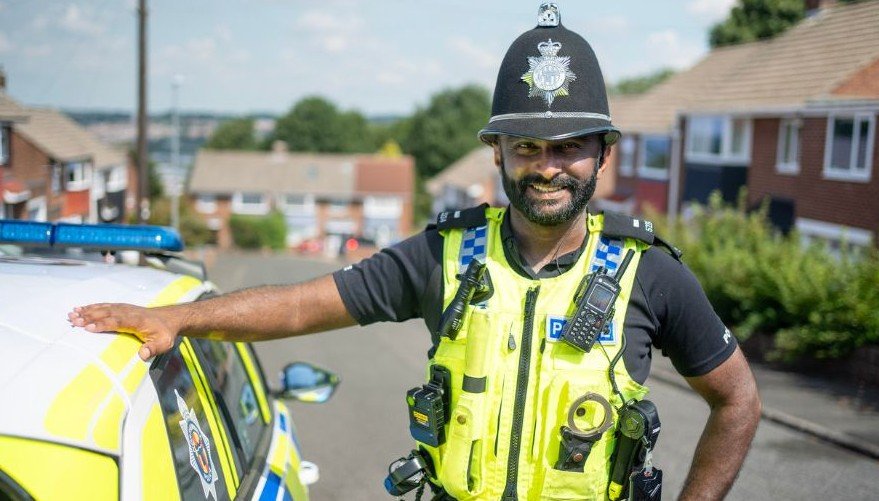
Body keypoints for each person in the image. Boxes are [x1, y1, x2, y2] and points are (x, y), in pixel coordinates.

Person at [70, 4, 760, 500]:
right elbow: (303, 305)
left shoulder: (651, 274)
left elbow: (737, 400)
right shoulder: (445, 257)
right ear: (497, 152)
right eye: (526, 146)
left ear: (602, 153)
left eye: (568, 146)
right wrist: (182, 320)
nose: (546, 167)